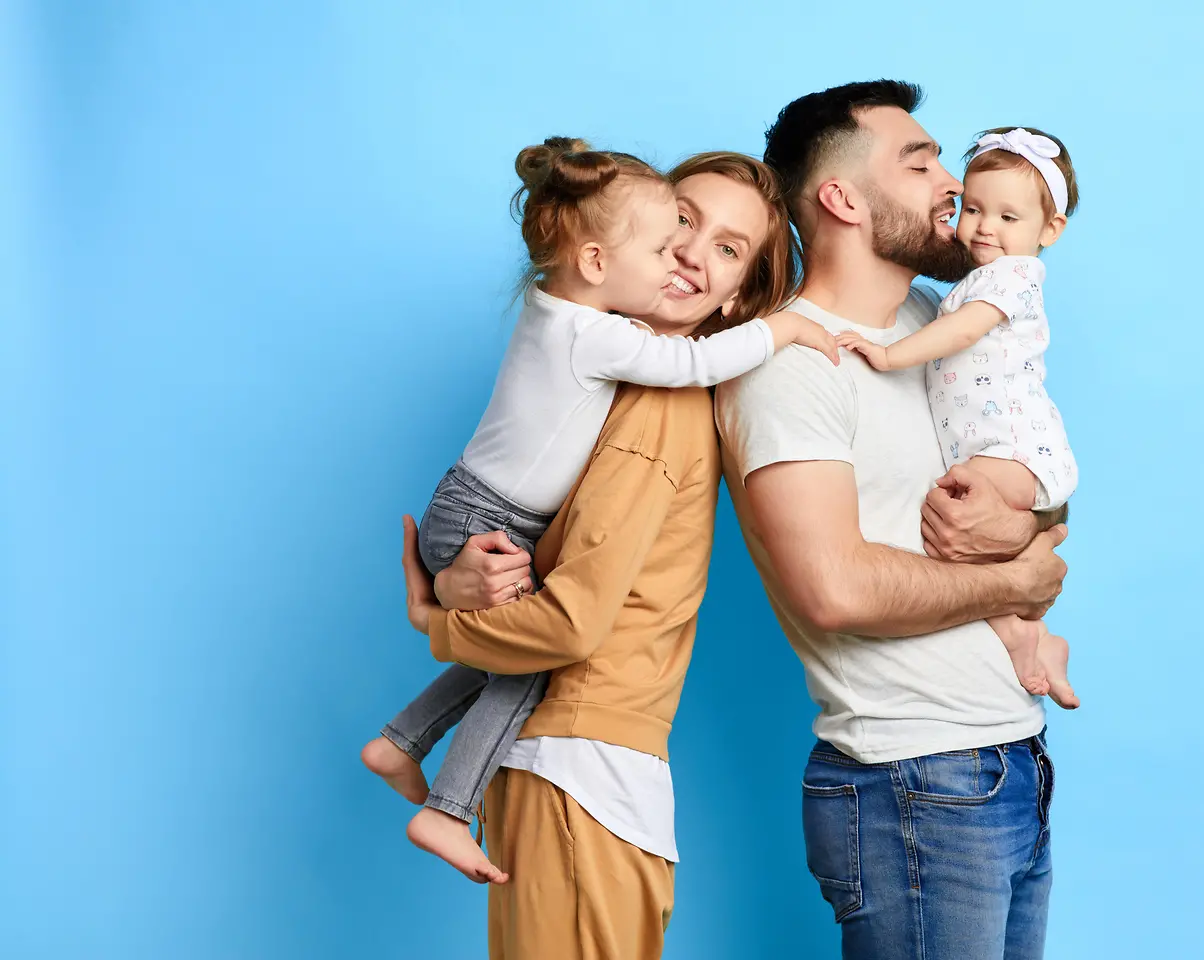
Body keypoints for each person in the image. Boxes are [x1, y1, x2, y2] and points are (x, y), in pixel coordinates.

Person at [395, 152, 850, 959]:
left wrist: (437, 621)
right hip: (577, 766)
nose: (688, 250)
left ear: (738, 297)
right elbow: (532, 569)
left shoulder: (654, 404)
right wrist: (460, 582)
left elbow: (565, 621)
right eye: (681, 220)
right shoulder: (606, 390)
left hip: (583, 769)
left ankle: (406, 756)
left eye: (728, 248)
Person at [714, 81, 1070, 960]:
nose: (951, 182)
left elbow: (1026, 469)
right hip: (912, 781)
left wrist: (1039, 518)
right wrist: (1017, 579)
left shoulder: (937, 322)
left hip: (1005, 760)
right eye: (919, 163)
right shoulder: (790, 365)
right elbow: (832, 591)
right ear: (841, 199)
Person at [831, 125, 1082, 707]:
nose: (984, 227)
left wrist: (890, 354)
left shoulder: (1013, 277)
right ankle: (1029, 637)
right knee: (957, 551)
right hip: (987, 445)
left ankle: (1027, 628)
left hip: (1013, 446)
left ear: (1050, 230)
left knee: (950, 524)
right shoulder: (970, 282)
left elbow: (965, 331)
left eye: (1009, 218)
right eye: (973, 209)